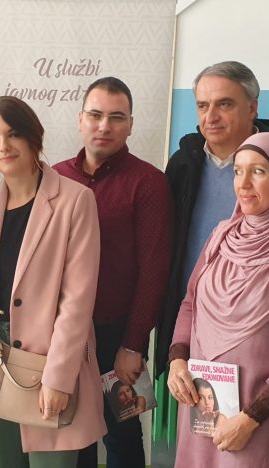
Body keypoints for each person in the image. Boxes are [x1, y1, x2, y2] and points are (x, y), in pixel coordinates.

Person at [156, 61, 269, 378]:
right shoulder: (184, 163)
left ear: (252, 107)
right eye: (202, 105)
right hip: (192, 337)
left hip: (267, 351)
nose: (210, 117)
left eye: (224, 104)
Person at [166, 132, 269, 467]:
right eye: (238, 171)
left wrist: (250, 418)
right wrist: (177, 360)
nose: (243, 184)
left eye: (258, 171)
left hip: (257, 421)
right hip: (203, 407)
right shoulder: (221, 235)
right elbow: (190, 303)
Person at [0, 96, 106, 468]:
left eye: (13, 134)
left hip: (49, 360)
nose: (3, 146)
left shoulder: (75, 199)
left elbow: (77, 302)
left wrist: (59, 379)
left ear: (33, 136)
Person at [53, 76, 171, 468]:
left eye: (117, 117)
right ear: (80, 120)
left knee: (122, 432)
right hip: (65, 332)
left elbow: (154, 269)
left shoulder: (149, 182)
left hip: (117, 333)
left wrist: (133, 344)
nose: (104, 126)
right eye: (95, 115)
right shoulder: (55, 177)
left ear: (130, 125)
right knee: (74, 433)